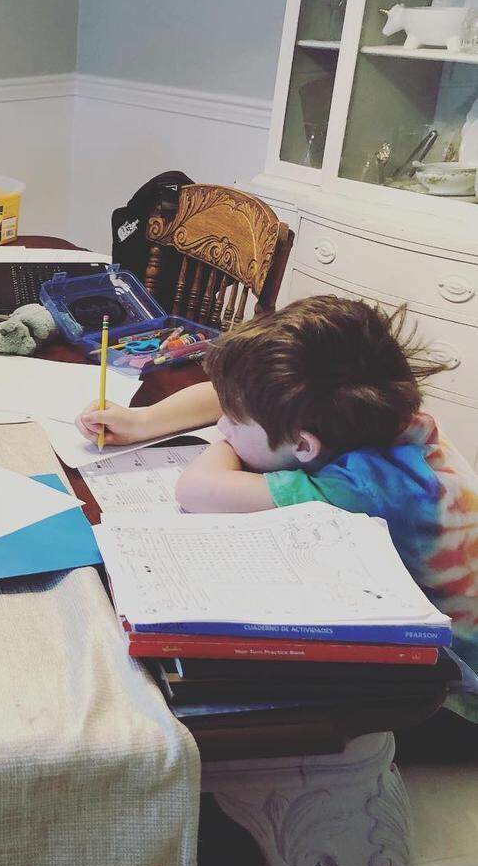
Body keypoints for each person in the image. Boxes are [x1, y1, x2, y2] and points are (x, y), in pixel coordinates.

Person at [76, 295, 478, 730]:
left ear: (303, 446)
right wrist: (143, 421)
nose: (221, 425)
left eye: (233, 420)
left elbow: (198, 490)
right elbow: (228, 394)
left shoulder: (366, 490)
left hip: (450, 696)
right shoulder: (375, 412)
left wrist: (229, 443)